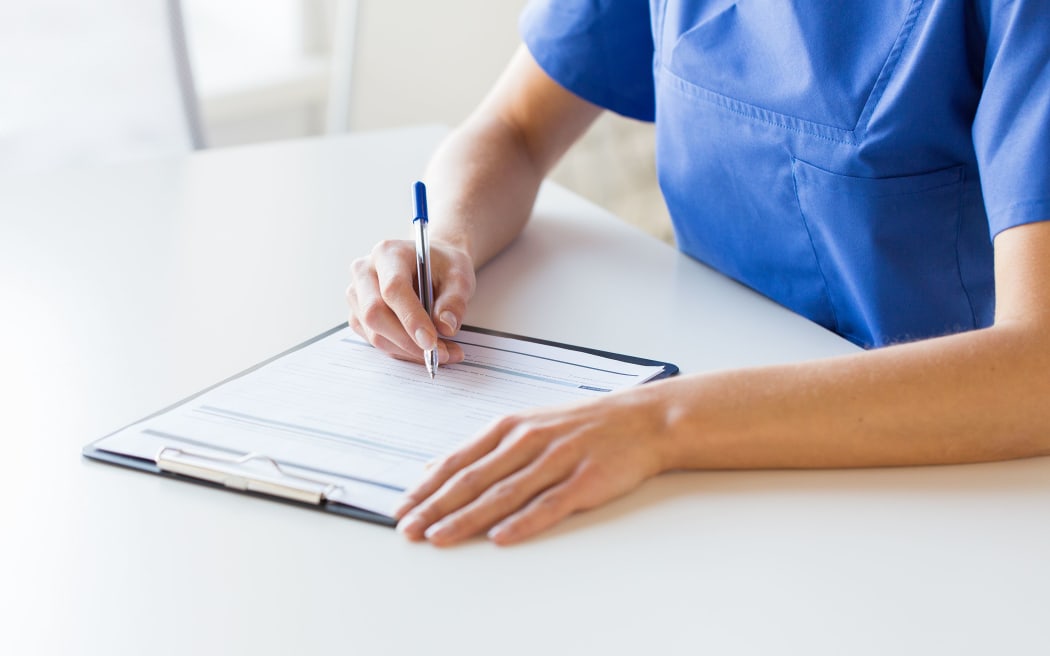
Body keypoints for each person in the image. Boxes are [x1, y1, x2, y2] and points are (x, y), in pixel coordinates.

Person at [346, 0, 1050, 547]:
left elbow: (1037, 368)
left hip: (951, 481)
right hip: (708, 461)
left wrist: (660, 426)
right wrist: (446, 235)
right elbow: (515, 128)